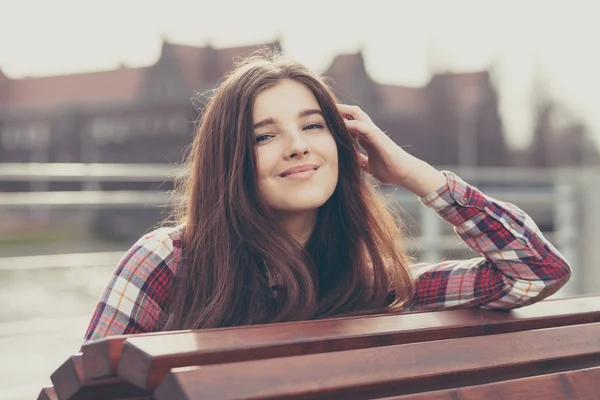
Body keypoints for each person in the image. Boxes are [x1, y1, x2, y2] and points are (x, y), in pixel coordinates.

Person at [84, 51, 571, 342]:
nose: (298, 145)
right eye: (264, 136)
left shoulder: (379, 286)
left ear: (340, 144)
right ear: (229, 162)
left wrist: (416, 175)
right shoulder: (168, 264)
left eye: (313, 126)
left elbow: (536, 273)